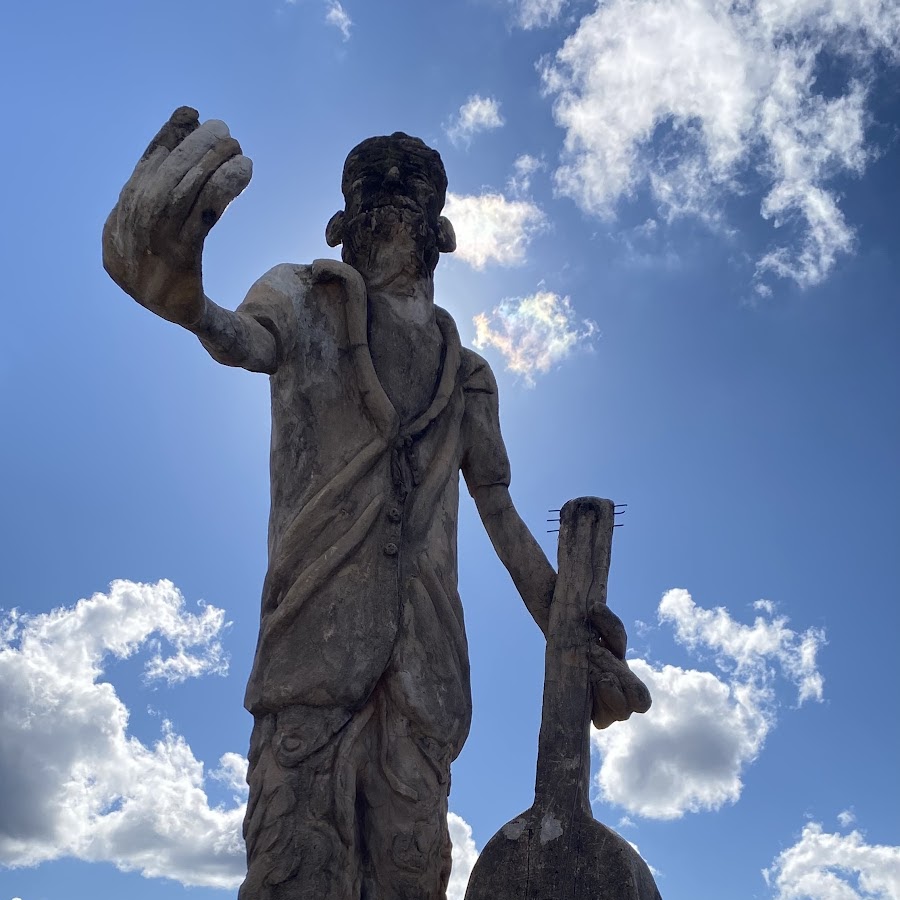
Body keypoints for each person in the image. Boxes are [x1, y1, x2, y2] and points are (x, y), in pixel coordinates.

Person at [103, 107, 651, 900]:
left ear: (443, 229)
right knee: (295, 867)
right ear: (341, 223)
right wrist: (184, 300)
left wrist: (572, 635)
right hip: (311, 650)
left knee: (409, 874)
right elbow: (242, 339)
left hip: (425, 672)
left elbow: (497, 509)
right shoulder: (301, 295)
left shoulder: (467, 374)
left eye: (410, 190)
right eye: (372, 188)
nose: (392, 198)